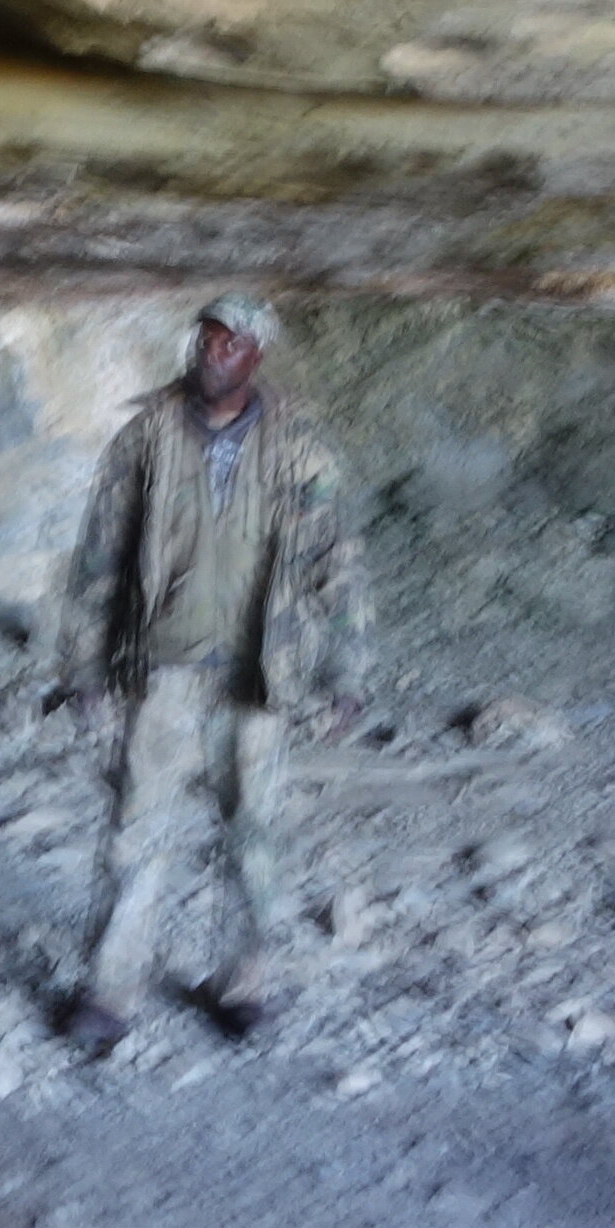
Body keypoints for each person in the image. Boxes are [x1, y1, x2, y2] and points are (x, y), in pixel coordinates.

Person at [49, 294, 367, 1051]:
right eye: (206, 339)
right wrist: (83, 667)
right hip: (161, 672)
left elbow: (340, 565)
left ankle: (242, 984)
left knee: (254, 836)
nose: (212, 354)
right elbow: (98, 558)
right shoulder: (145, 439)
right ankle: (110, 991)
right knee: (134, 832)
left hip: (260, 676)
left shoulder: (300, 447)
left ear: (258, 356)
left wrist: (345, 673)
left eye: (231, 344)